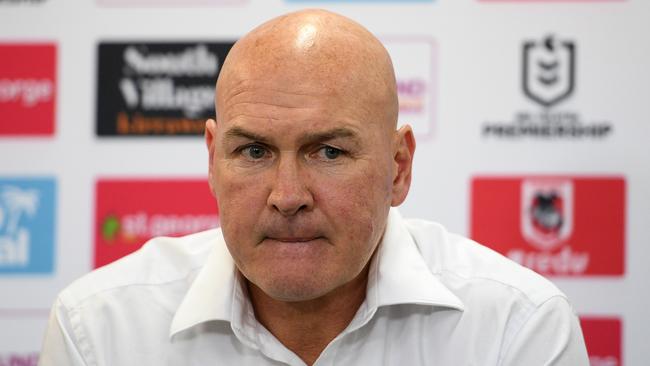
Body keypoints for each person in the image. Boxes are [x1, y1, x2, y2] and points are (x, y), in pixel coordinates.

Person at [39, 9, 589, 366]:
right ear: (212, 160)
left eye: (328, 152)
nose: (287, 194)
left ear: (398, 168)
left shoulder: (515, 330)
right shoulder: (99, 333)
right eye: (253, 151)